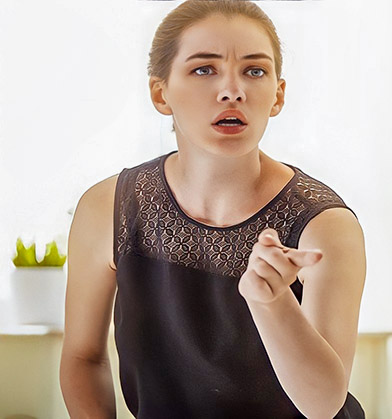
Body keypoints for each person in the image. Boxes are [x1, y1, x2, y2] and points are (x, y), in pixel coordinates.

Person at [60, 1, 366, 418]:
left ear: (277, 95)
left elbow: (323, 405)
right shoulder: (107, 208)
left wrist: (272, 303)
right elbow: (83, 357)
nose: (232, 90)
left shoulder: (325, 226)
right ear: (160, 92)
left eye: (254, 71)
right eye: (204, 69)